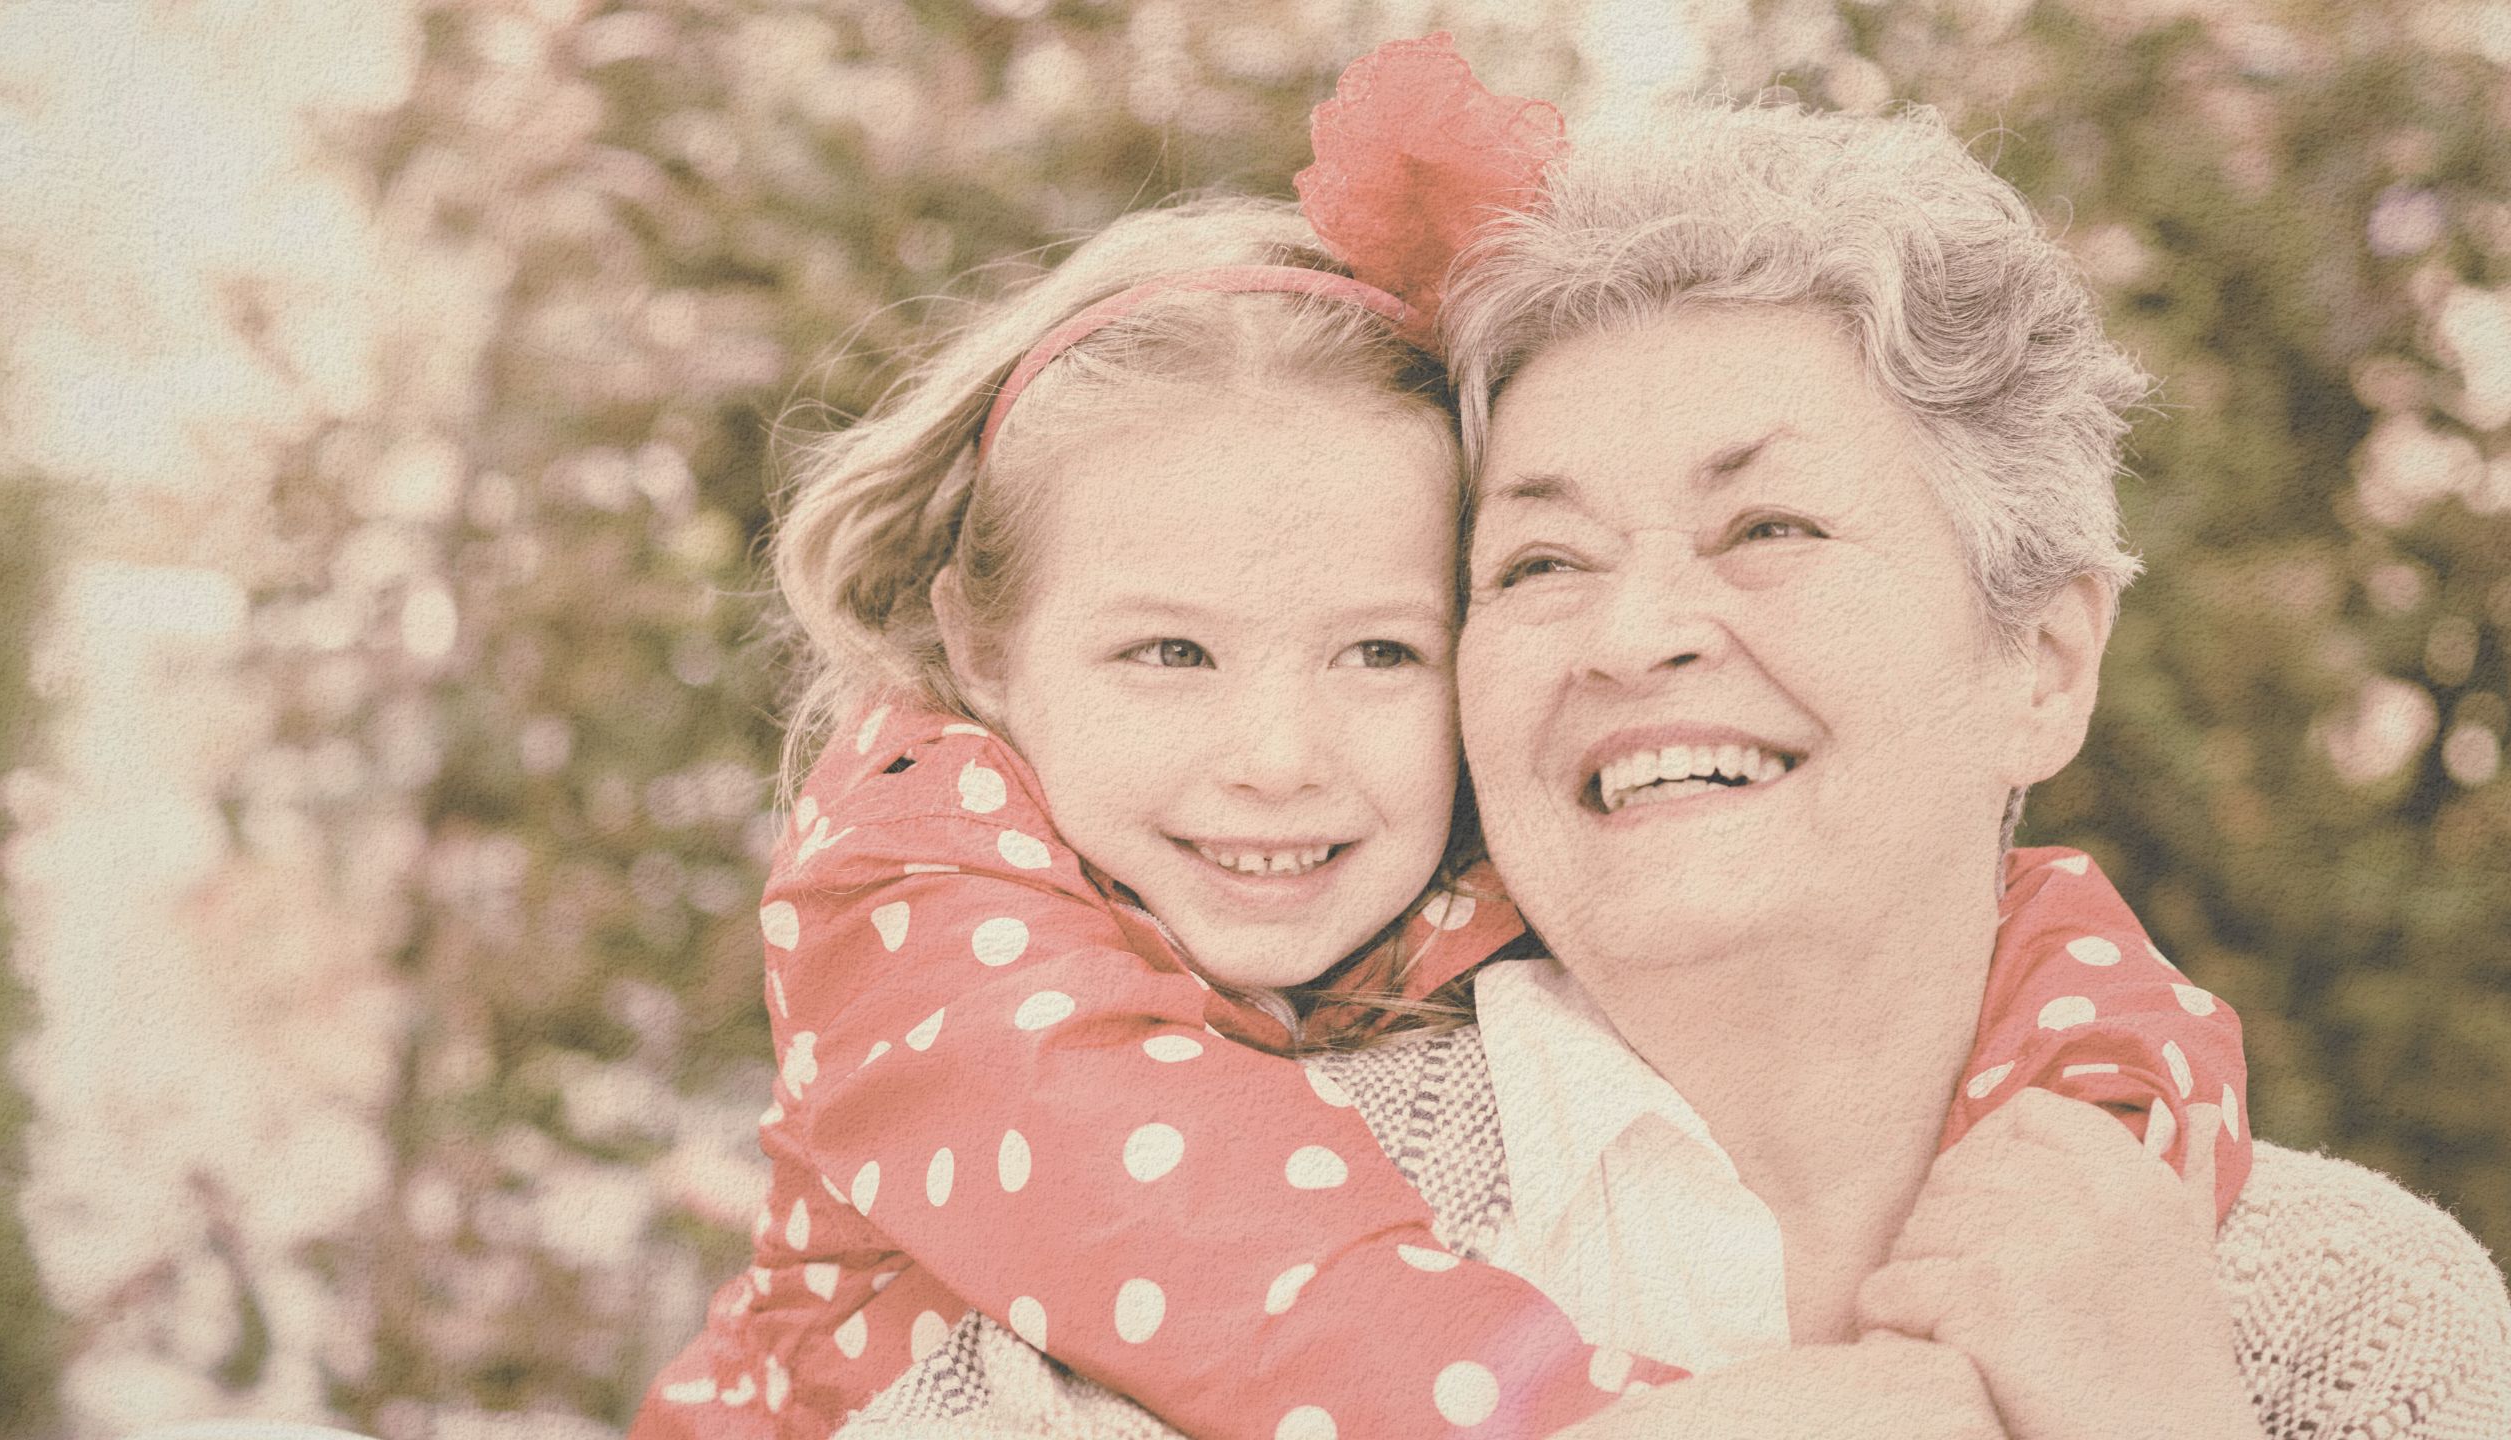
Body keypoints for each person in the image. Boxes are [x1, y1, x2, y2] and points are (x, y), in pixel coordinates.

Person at [831, 59, 2511, 1440]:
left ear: (2043, 662)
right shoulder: (1138, 1277)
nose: (1633, 637)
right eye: (1543, 562)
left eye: (1764, 525)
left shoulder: (2340, 1312)